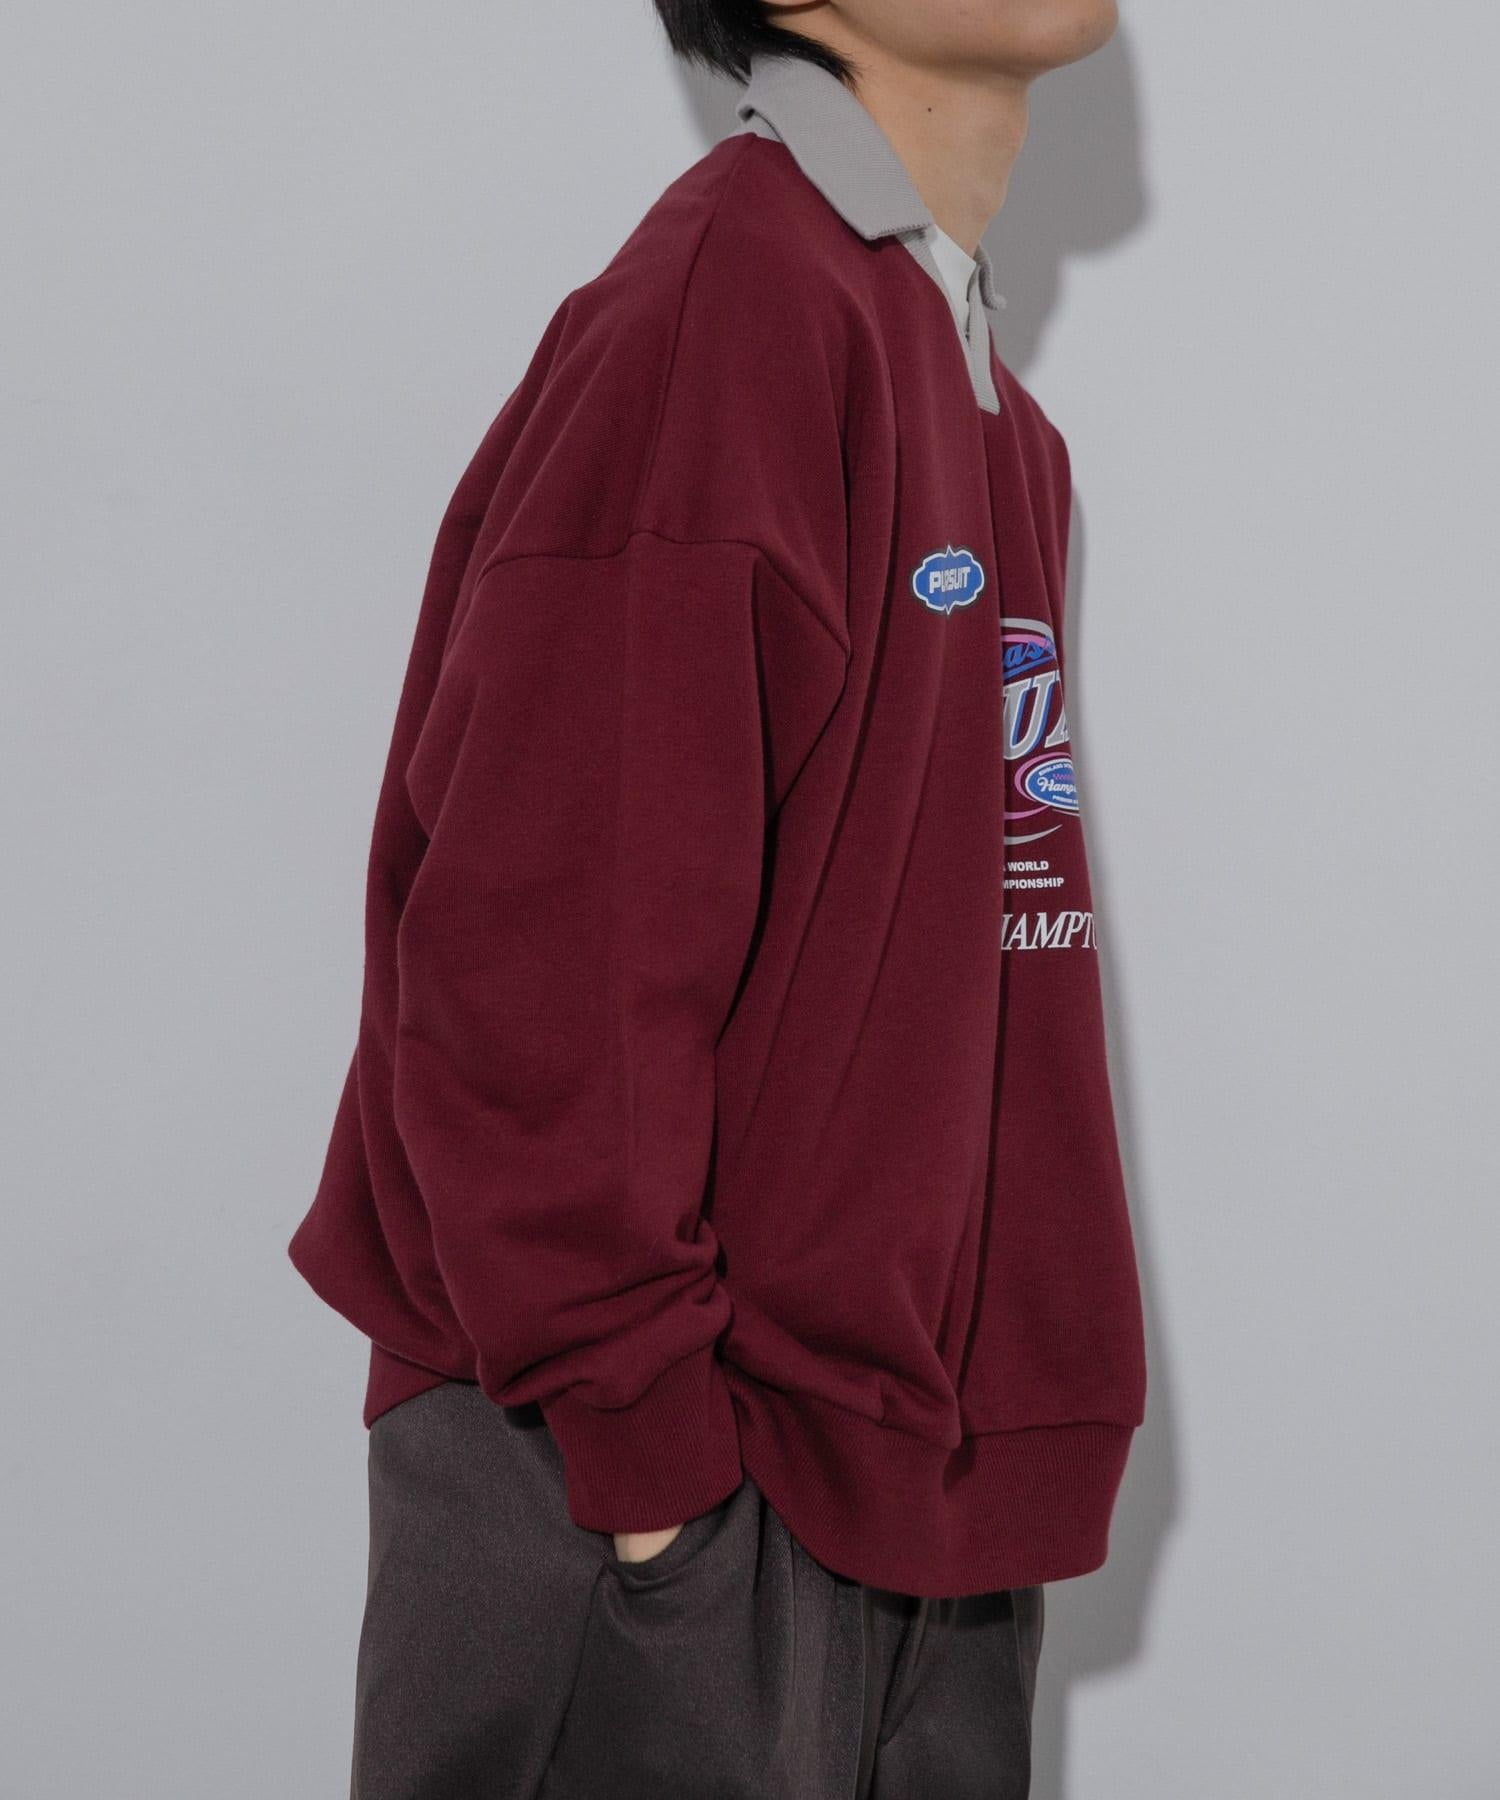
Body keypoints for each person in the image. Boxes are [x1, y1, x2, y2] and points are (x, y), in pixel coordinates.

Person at [289, 1, 1147, 1793]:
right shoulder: (734, 309)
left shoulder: (991, 411)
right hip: (667, 1497)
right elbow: (537, 947)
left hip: (913, 1512)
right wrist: (654, 1475)